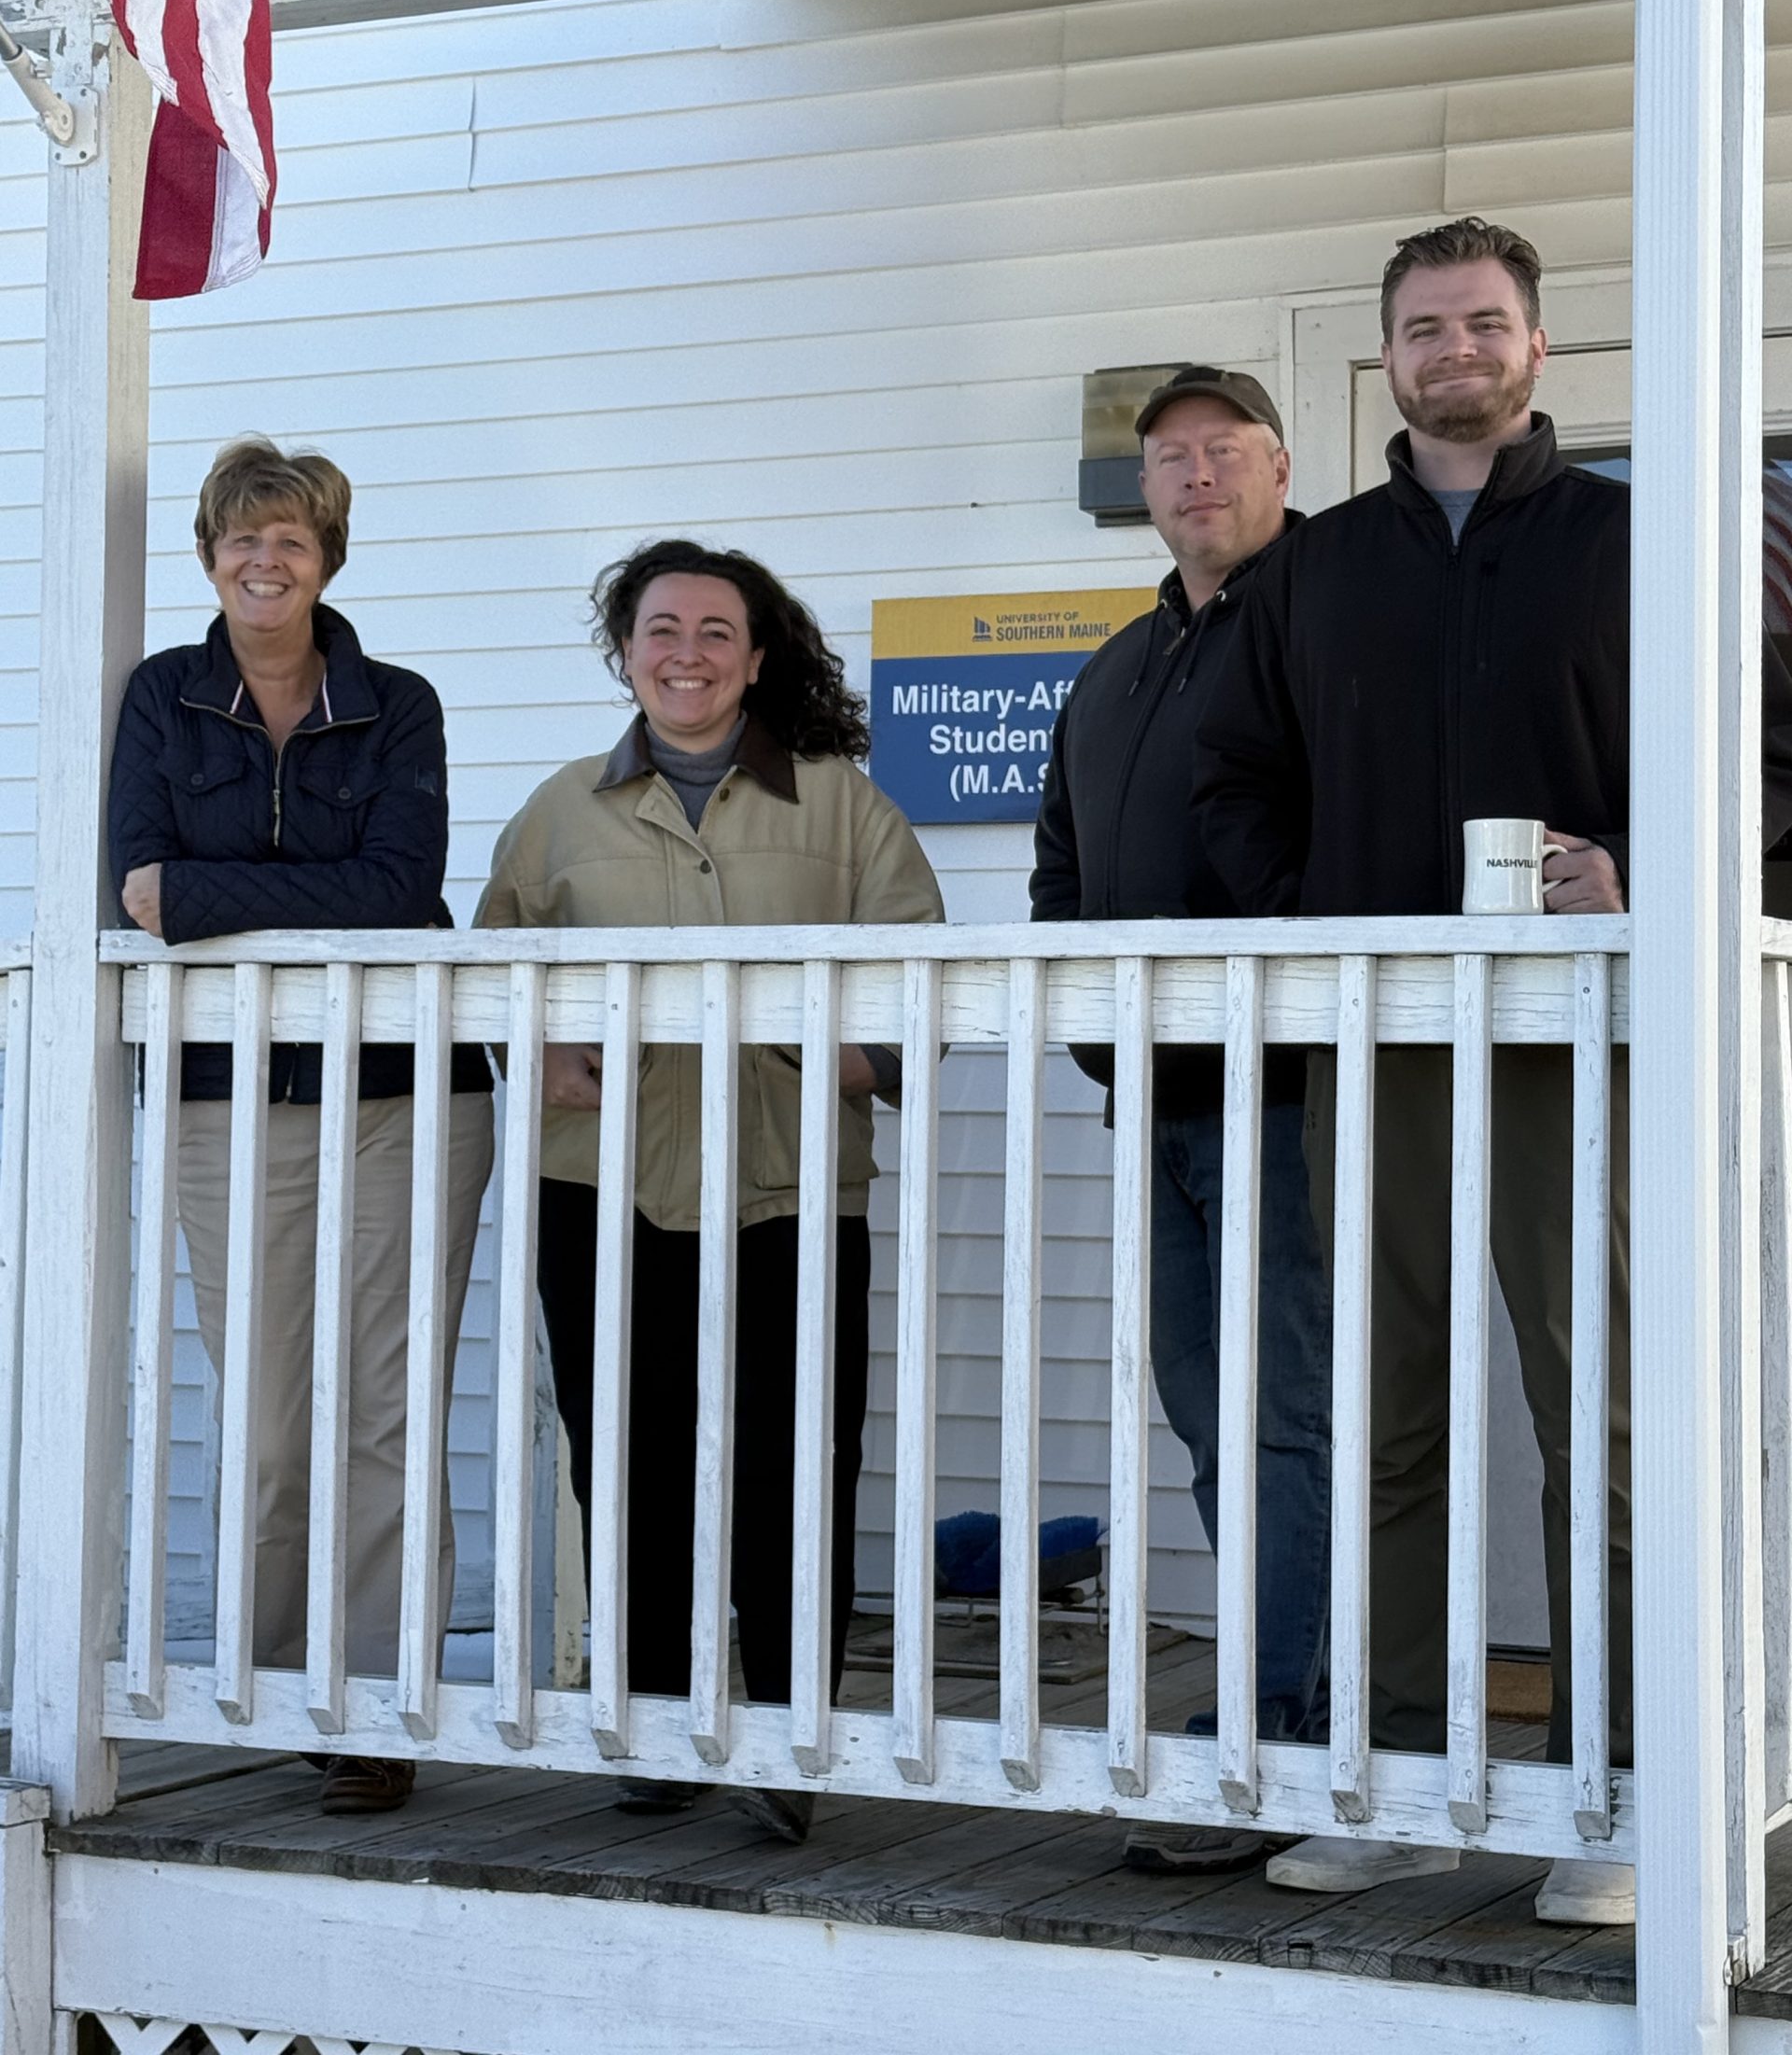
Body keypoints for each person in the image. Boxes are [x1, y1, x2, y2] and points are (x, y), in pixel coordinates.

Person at [1192, 217, 1792, 1929]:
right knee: (1382, 1419)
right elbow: (1231, 784)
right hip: (1380, 1043)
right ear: (1388, 356)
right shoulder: (1315, 568)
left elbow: (1773, 751)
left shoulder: (1647, 535)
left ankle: (1617, 1794)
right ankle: (1398, 1785)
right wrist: (1327, 918)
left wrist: (1656, 869)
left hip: (1588, 1041)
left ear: (1539, 347)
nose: (1458, 348)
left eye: (1486, 321)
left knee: (1597, 1414)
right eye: (1426, 326)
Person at [476, 536, 944, 1844]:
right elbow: (492, 976)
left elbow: (920, 983)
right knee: (628, 1459)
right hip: (605, 1189)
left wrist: (832, 1051)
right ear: (625, 650)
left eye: (715, 632)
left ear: (756, 655)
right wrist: (544, 1049)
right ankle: (655, 1726)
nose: (687, 653)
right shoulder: (559, 810)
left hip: (790, 1186)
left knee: (797, 1464)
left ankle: (795, 1738)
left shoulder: (844, 810)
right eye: (661, 629)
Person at [107, 437, 494, 1817]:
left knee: (385, 1410)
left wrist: (208, 894)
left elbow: (402, 890)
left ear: (330, 556)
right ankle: (281, 1681)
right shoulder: (164, 696)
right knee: (272, 1416)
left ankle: (381, 1703)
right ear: (209, 553)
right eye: (240, 540)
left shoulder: (397, 703)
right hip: (230, 1098)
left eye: (292, 541)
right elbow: (131, 886)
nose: (263, 562)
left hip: (404, 1094)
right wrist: (208, 892)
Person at [1031, 366, 1325, 1878]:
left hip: (1293, 1097)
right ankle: (1278, 1708)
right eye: (1171, 458)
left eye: (1224, 452)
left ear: (1281, 465)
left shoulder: (1329, 621)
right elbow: (1060, 868)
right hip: (1153, 1104)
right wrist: (1100, 1038)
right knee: (1215, 1423)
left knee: (1292, 1418)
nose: (1196, 476)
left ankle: (1292, 1731)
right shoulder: (1123, 661)